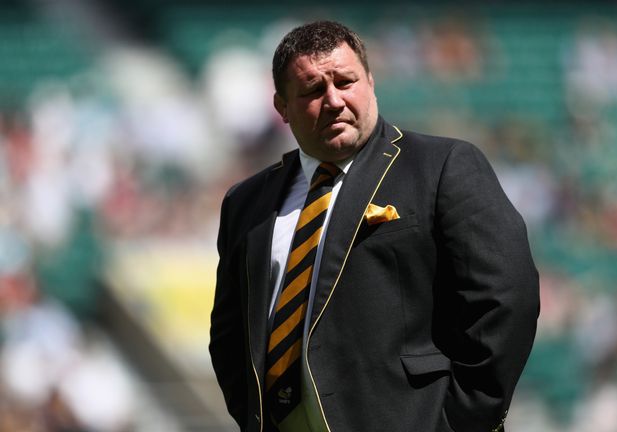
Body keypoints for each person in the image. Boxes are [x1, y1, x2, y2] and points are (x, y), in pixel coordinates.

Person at [209, 20, 539, 432]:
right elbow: (229, 336)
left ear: (370, 82)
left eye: (345, 82)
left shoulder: (440, 166)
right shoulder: (246, 202)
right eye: (312, 90)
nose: (333, 100)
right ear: (282, 108)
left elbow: (507, 297)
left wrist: (463, 420)